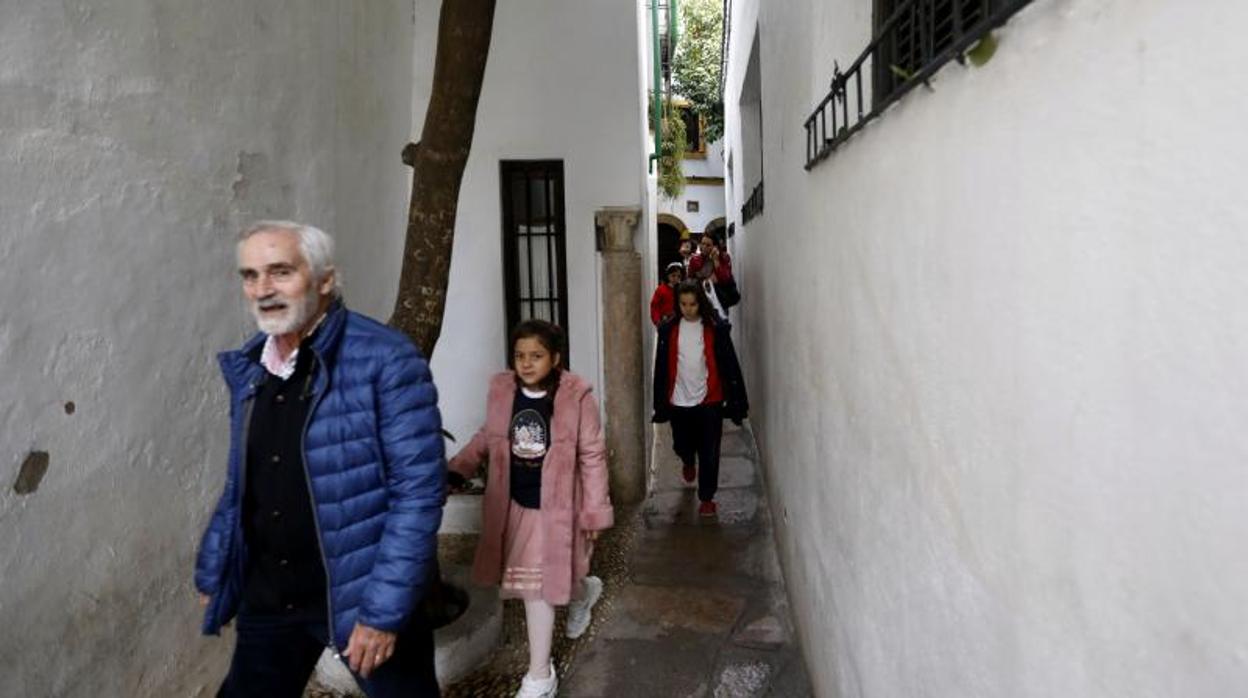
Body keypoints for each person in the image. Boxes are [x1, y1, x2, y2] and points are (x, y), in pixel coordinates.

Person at [195, 221, 445, 697]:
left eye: (280, 271)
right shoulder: (251, 368)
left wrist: (383, 613)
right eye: (250, 275)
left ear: (325, 280)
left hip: (361, 592)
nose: (263, 289)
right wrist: (217, 564)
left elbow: (417, 494)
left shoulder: (387, 360)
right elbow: (244, 480)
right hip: (271, 595)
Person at [447, 320, 613, 698]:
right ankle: (583, 590)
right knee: (538, 580)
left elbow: (592, 455)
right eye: (520, 355)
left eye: (536, 356)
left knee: (537, 587)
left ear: (555, 359)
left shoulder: (575, 397)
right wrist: (458, 467)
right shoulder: (503, 391)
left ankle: (540, 676)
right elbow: (487, 437)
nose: (526, 363)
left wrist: (595, 509)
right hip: (516, 505)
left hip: (557, 509)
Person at [652, 281, 749, 517]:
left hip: (710, 400)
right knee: (682, 443)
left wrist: (735, 399)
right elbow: (662, 368)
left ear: (700, 303)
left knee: (710, 450)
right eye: (683, 304)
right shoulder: (668, 330)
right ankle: (687, 460)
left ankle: (707, 497)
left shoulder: (715, 328)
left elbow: (729, 364)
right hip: (678, 400)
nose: (688, 309)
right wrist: (661, 400)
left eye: (693, 304)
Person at [688, 232, 737, 319]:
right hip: (702, 299)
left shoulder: (724, 258)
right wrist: (705, 281)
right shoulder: (695, 260)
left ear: (715, 246)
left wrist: (716, 260)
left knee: (721, 326)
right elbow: (690, 280)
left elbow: (725, 278)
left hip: (720, 299)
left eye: (708, 245)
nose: (704, 247)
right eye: (702, 244)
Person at [649, 261, 686, 327]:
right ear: (668, 275)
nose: (676, 278)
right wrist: (657, 321)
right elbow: (655, 306)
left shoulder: (681, 289)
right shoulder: (661, 289)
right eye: (673, 275)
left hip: (679, 322)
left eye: (678, 276)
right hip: (664, 321)